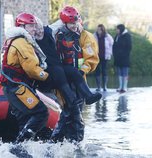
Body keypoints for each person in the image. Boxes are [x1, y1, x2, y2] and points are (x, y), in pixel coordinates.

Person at [43, 5, 100, 143]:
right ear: (64, 23)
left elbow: (91, 59)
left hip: (78, 79)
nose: (75, 26)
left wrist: (82, 71)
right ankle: (69, 144)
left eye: (76, 22)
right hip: (62, 81)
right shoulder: (56, 35)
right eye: (71, 23)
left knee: (73, 112)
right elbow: (44, 34)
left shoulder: (86, 37)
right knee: (70, 112)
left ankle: (63, 143)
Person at [0, 12, 51, 143]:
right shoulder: (22, 42)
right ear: (22, 26)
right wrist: (47, 77)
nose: (34, 29)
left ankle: (22, 149)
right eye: (31, 26)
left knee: (25, 119)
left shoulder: (13, 39)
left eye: (34, 26)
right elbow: (32, 69)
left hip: (12, 88)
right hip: (18, 88)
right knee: (41, 113)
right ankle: (19, 145)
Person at [93, 24, 114, 91]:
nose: (98, 31)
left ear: (103, 30)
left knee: (104, 70)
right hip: (96, 55)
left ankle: (105, 86)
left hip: (105, 56)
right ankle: (98, 87)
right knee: (97, 70)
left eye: (100, 29)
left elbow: (112, 43)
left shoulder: (107, 36)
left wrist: (110, 52)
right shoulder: (94, 35)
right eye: (98, 29)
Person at [113, 24, 132, 93]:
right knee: (119, 72)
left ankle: (125, 87)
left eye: (117, 29)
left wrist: (124, 54)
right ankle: (120, 86)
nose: (116, 30)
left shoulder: (127, 36)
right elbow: (114, 46)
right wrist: (115, 54)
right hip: (118, 58)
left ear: (120, 29)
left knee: (125, 72)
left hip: (125, 58)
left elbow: (129, 47)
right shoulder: (117, 36)